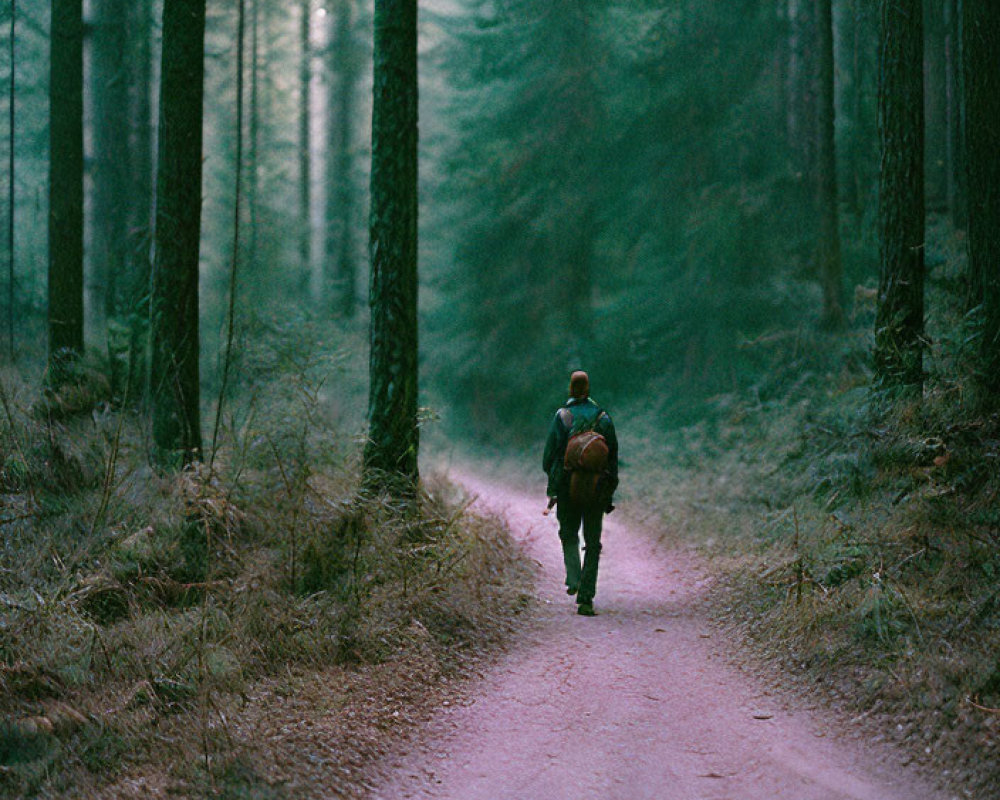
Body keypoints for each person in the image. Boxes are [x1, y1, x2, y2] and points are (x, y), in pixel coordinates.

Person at [542, 370, 618, 616]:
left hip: (567, 487)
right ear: (588, 390)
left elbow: (550, 456)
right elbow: (612, 459)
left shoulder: (562, 416)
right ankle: (586, 598)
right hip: (596, 489)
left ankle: (573, 578)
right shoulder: (603, 418)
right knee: (593, 542)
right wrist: (608, 491)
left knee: (569, 533)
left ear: (570, 390)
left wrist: (553, 486)